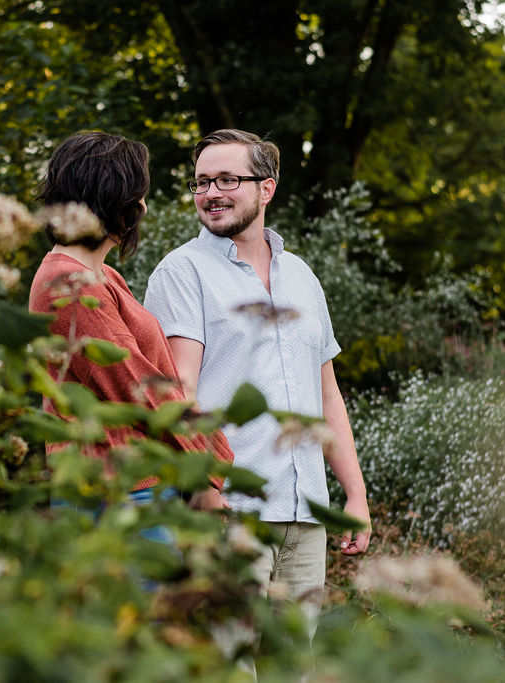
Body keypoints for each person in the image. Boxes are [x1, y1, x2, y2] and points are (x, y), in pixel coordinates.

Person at [143, 129, 371, 616]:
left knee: (295, 662)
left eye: (227, 179)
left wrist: (354, 493)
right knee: (229, 659)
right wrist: (204, 490)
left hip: (305, 509)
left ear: (266, 188)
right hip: (231, 510)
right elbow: (178, 391)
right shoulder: (181, 272)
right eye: (202, 182)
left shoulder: (302, 276)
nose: (210, 194)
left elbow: (327, 394)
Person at [28, 131, 234, 512]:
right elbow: (136, 384)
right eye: (139, 194)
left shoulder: (103, 276)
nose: (143, 205)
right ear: (114, 199)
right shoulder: (66, 285)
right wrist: (209, 462)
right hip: (113, 492)